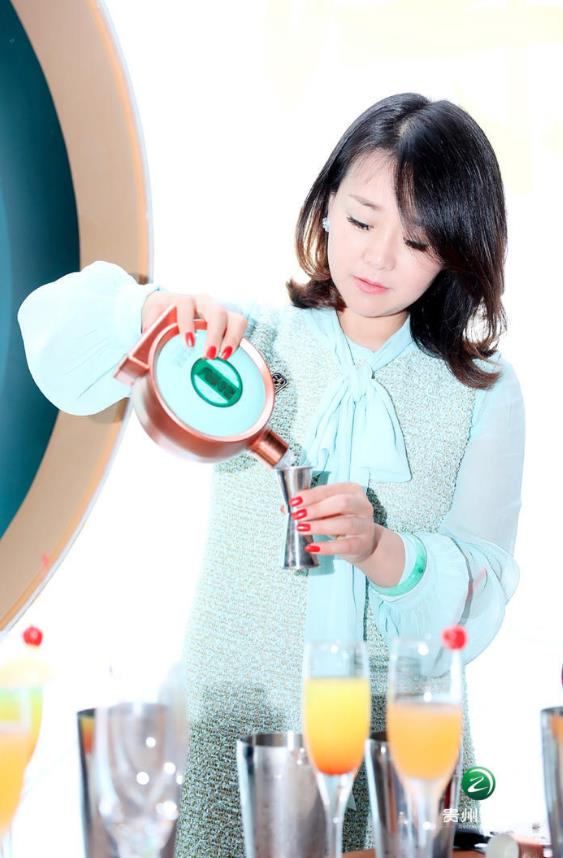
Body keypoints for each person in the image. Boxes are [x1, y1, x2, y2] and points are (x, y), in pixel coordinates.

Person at [18, 92, 525, 855]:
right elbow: (52, 334)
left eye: (417, 240)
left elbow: (482, 587)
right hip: (234, 725)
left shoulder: (481, 389)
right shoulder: (245, 341)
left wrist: (383, 551)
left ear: (455, 250)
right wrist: (149, 311)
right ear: (324, 207)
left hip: (400, 746)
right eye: (360, 220)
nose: (378, 258)